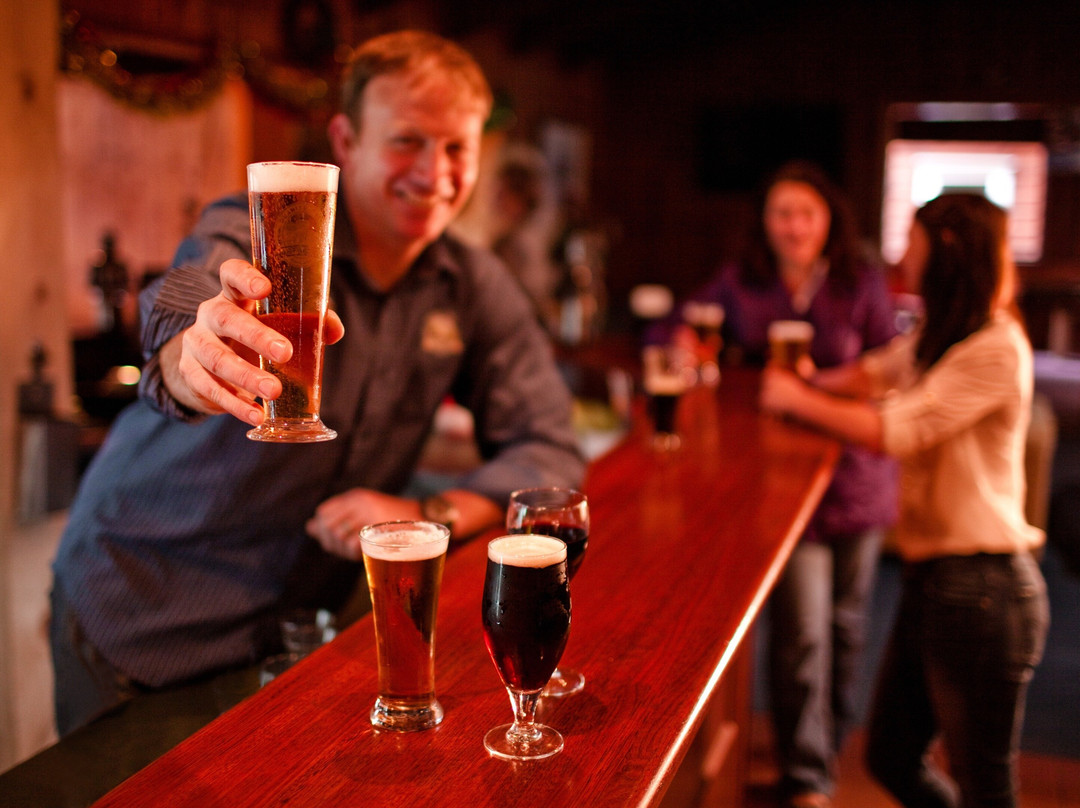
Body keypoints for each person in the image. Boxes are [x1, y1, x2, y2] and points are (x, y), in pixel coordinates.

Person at [50, 30, 585, 736]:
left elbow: (549, 449)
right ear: (346, 139)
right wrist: (191, 356)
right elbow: (188, 289)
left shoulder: (473, 283)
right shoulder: (269, 230)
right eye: (407, 141)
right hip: (145, 614)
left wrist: (437, 513)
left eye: (457, 147)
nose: (435, 172)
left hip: (304, 640)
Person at [761, 193, 1049, 808]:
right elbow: (873, 372)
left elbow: (896, 429)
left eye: (913, 240)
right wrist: (809, 381)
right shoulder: (944, 334)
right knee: (891, 756)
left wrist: (793, 399)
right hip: (938, 582)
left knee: (987, 788)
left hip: (986, 588)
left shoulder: (998, 346)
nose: (903, 254)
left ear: (945, 251)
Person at [648, 161, 898, 808]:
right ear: (765, 221)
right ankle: (807, 775)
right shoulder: (742, 280)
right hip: (783, 486)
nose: (793, 226)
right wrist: (684, 344)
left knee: (846, 626)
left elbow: (890, 369)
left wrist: (814, 386)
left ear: (828, 221)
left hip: (858, 476)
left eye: (806, 213)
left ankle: (827, 741)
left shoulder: (859, 281)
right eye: (782, 213)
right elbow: (681, 322)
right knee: (802, 633)